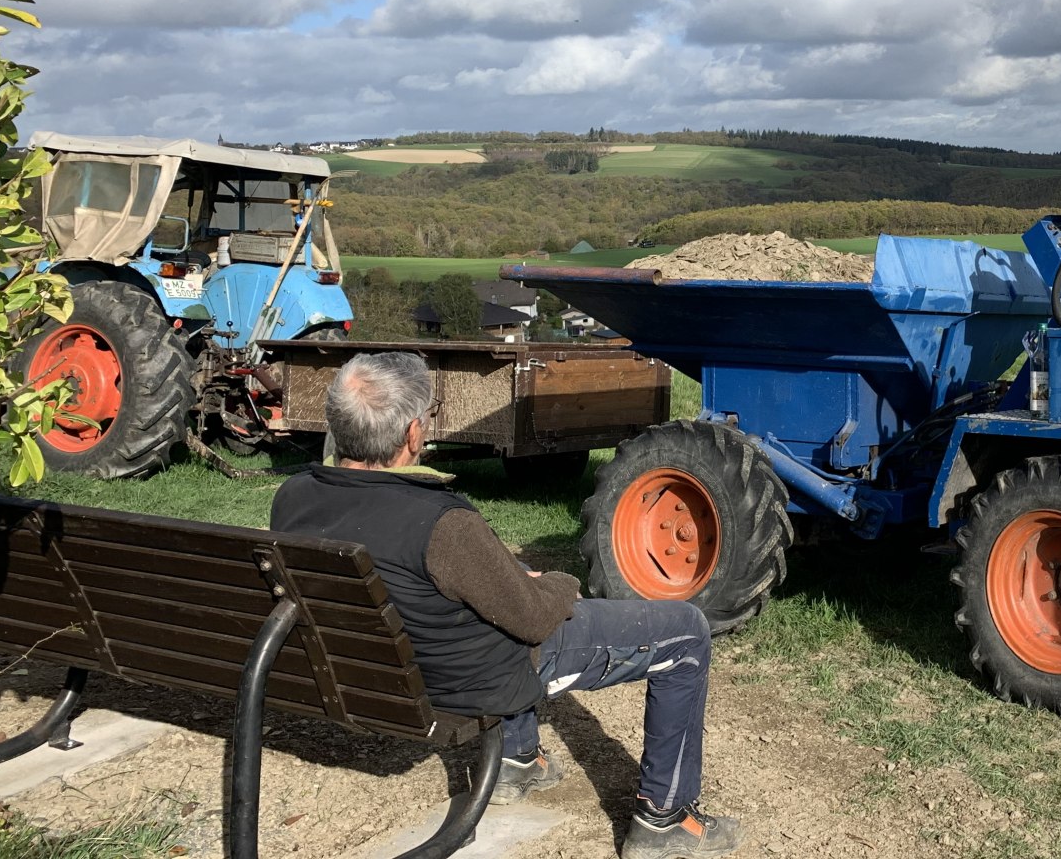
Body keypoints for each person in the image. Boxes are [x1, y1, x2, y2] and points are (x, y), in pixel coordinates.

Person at [270, 352, 742, 859]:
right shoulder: (439, 522)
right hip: (466, 683)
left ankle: (517, 761)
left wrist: (511, 580)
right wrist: (559, 582)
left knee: (484, 603)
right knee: (687, 630)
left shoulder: (293, 498)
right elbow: (534, 619)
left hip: (377, 674)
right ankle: (665, 818)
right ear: (412, 434)